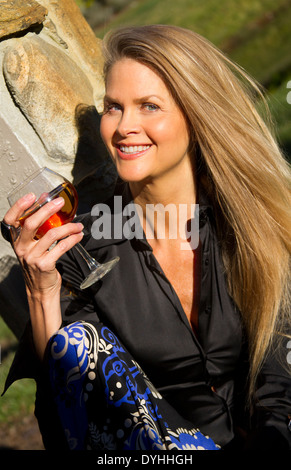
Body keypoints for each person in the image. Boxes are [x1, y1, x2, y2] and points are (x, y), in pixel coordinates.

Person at [1, 25, 290, 450]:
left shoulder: (251, 218)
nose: (124, 127)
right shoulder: (84, 243)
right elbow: (75, 398)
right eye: (113, 107)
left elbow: (279, 370)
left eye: (149, 106)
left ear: (197, 115)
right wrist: (42, 292)